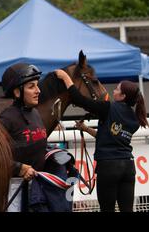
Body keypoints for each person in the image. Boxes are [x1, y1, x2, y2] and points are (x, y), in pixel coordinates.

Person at [55, 70, 148, 212]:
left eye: (116, 89)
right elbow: (110, 136)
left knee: (107, 209)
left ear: (122, 96)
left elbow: (80, 100)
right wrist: (86, 129)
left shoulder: (108, 107)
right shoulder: (135, 119)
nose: (113, 91)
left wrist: (65, 77)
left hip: (108, 167)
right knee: (127, 209)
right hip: (128, 166)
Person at [0, 63, 74, 212]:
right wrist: (19, 168)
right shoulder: (6, 119)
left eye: (37, 85)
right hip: (15, 192)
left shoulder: (35, 113)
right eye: (31, 86)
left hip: (38, 190)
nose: (38, 90)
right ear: (17, 92)